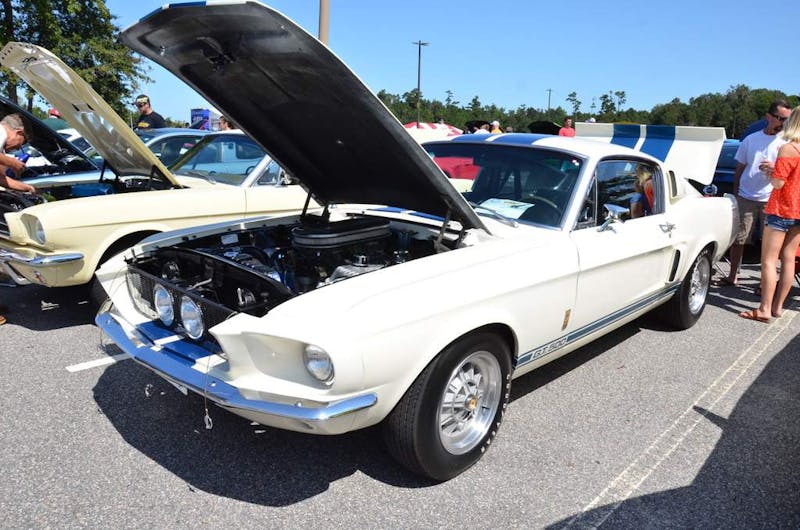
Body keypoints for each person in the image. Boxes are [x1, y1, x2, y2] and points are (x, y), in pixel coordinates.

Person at [739, 106, 800, 322]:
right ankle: (778, 307)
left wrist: (771, 172)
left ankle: (764, 309)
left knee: (768, 261)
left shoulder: (788, 149)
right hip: (799, 211)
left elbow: (779, 183)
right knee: (789, 259)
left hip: (781, 209)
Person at [722, 99, 792, 286]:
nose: (784, 123)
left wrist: (775, 167)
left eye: (788, 119)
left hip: (772, 198)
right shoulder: (751, 139)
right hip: (746, 195)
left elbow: (791, 173)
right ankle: (733, 276)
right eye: (780, 118)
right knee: (739, 239)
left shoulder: (787, 142)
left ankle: (765, 284)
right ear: (768, 117)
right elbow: (740, 168)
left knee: (769, 244)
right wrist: (736, 192)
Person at [0, 113, 35, 194]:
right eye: (23, 142)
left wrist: (27, 187)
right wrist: (13, 163)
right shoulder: (1, 131)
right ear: (19, 133)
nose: (18, 148)